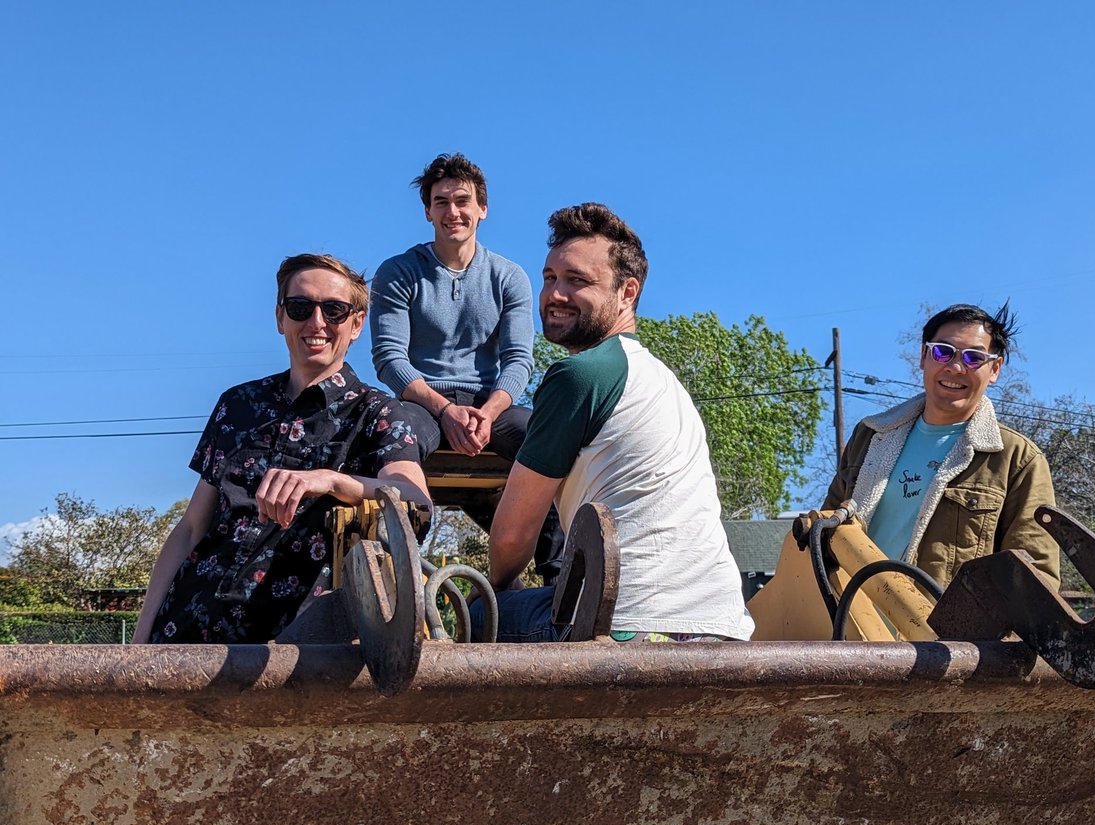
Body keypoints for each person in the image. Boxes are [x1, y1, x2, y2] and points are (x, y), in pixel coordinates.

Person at [475, 203, 755, 643]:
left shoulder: (581, 375)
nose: (555, 295)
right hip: (722, 629)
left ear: (628, 292)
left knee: (475, 612)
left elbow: (512, 537)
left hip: (627, 624)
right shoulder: (662, 382)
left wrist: (502, 587)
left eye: (577, 281)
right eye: (550, 278)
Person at [133, 254, 431, 644]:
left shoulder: (377, 414)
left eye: (335, 310)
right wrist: (140, 638)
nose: (317, 322)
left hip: (294, 649)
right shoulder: (236, 405)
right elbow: (191, 529)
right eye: (300, 307)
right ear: (280, 318)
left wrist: (330, 481)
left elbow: (414, 501)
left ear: (357, 323)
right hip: (188, 633)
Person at [369, 152, 561, 583]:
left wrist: (488, 413)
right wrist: (443, 410)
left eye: (462, 201)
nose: (452, 212)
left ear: (482, 209)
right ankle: (396, 577)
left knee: (545, 437)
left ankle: (561, 579)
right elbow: (389, 359)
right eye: (441, 202)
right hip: (422, 400)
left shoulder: (508, 276)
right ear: (427, 211)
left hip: (489, 403)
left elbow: (518, 359)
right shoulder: (398, 273)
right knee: (393, 436)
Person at [823, 303, 1059, 589]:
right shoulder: (870, 436)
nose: (956, 367)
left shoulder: (1018, 460)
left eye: (974, 358)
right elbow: (822, 534)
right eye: (942, 352)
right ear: (924, 355)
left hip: (939, 633)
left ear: (995, 368)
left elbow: (1035, 577)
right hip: (848, 624)